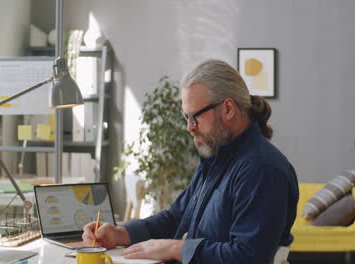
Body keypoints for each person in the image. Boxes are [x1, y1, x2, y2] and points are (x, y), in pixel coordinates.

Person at [82, 59, 299, 263]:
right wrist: (121, 233)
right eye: (187, 117)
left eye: (195, 117)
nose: (189, 127)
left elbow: (248, 256)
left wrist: (175, 248)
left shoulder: (262, 170)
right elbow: (176, 217)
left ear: (228, 109)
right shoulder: (216, 157)